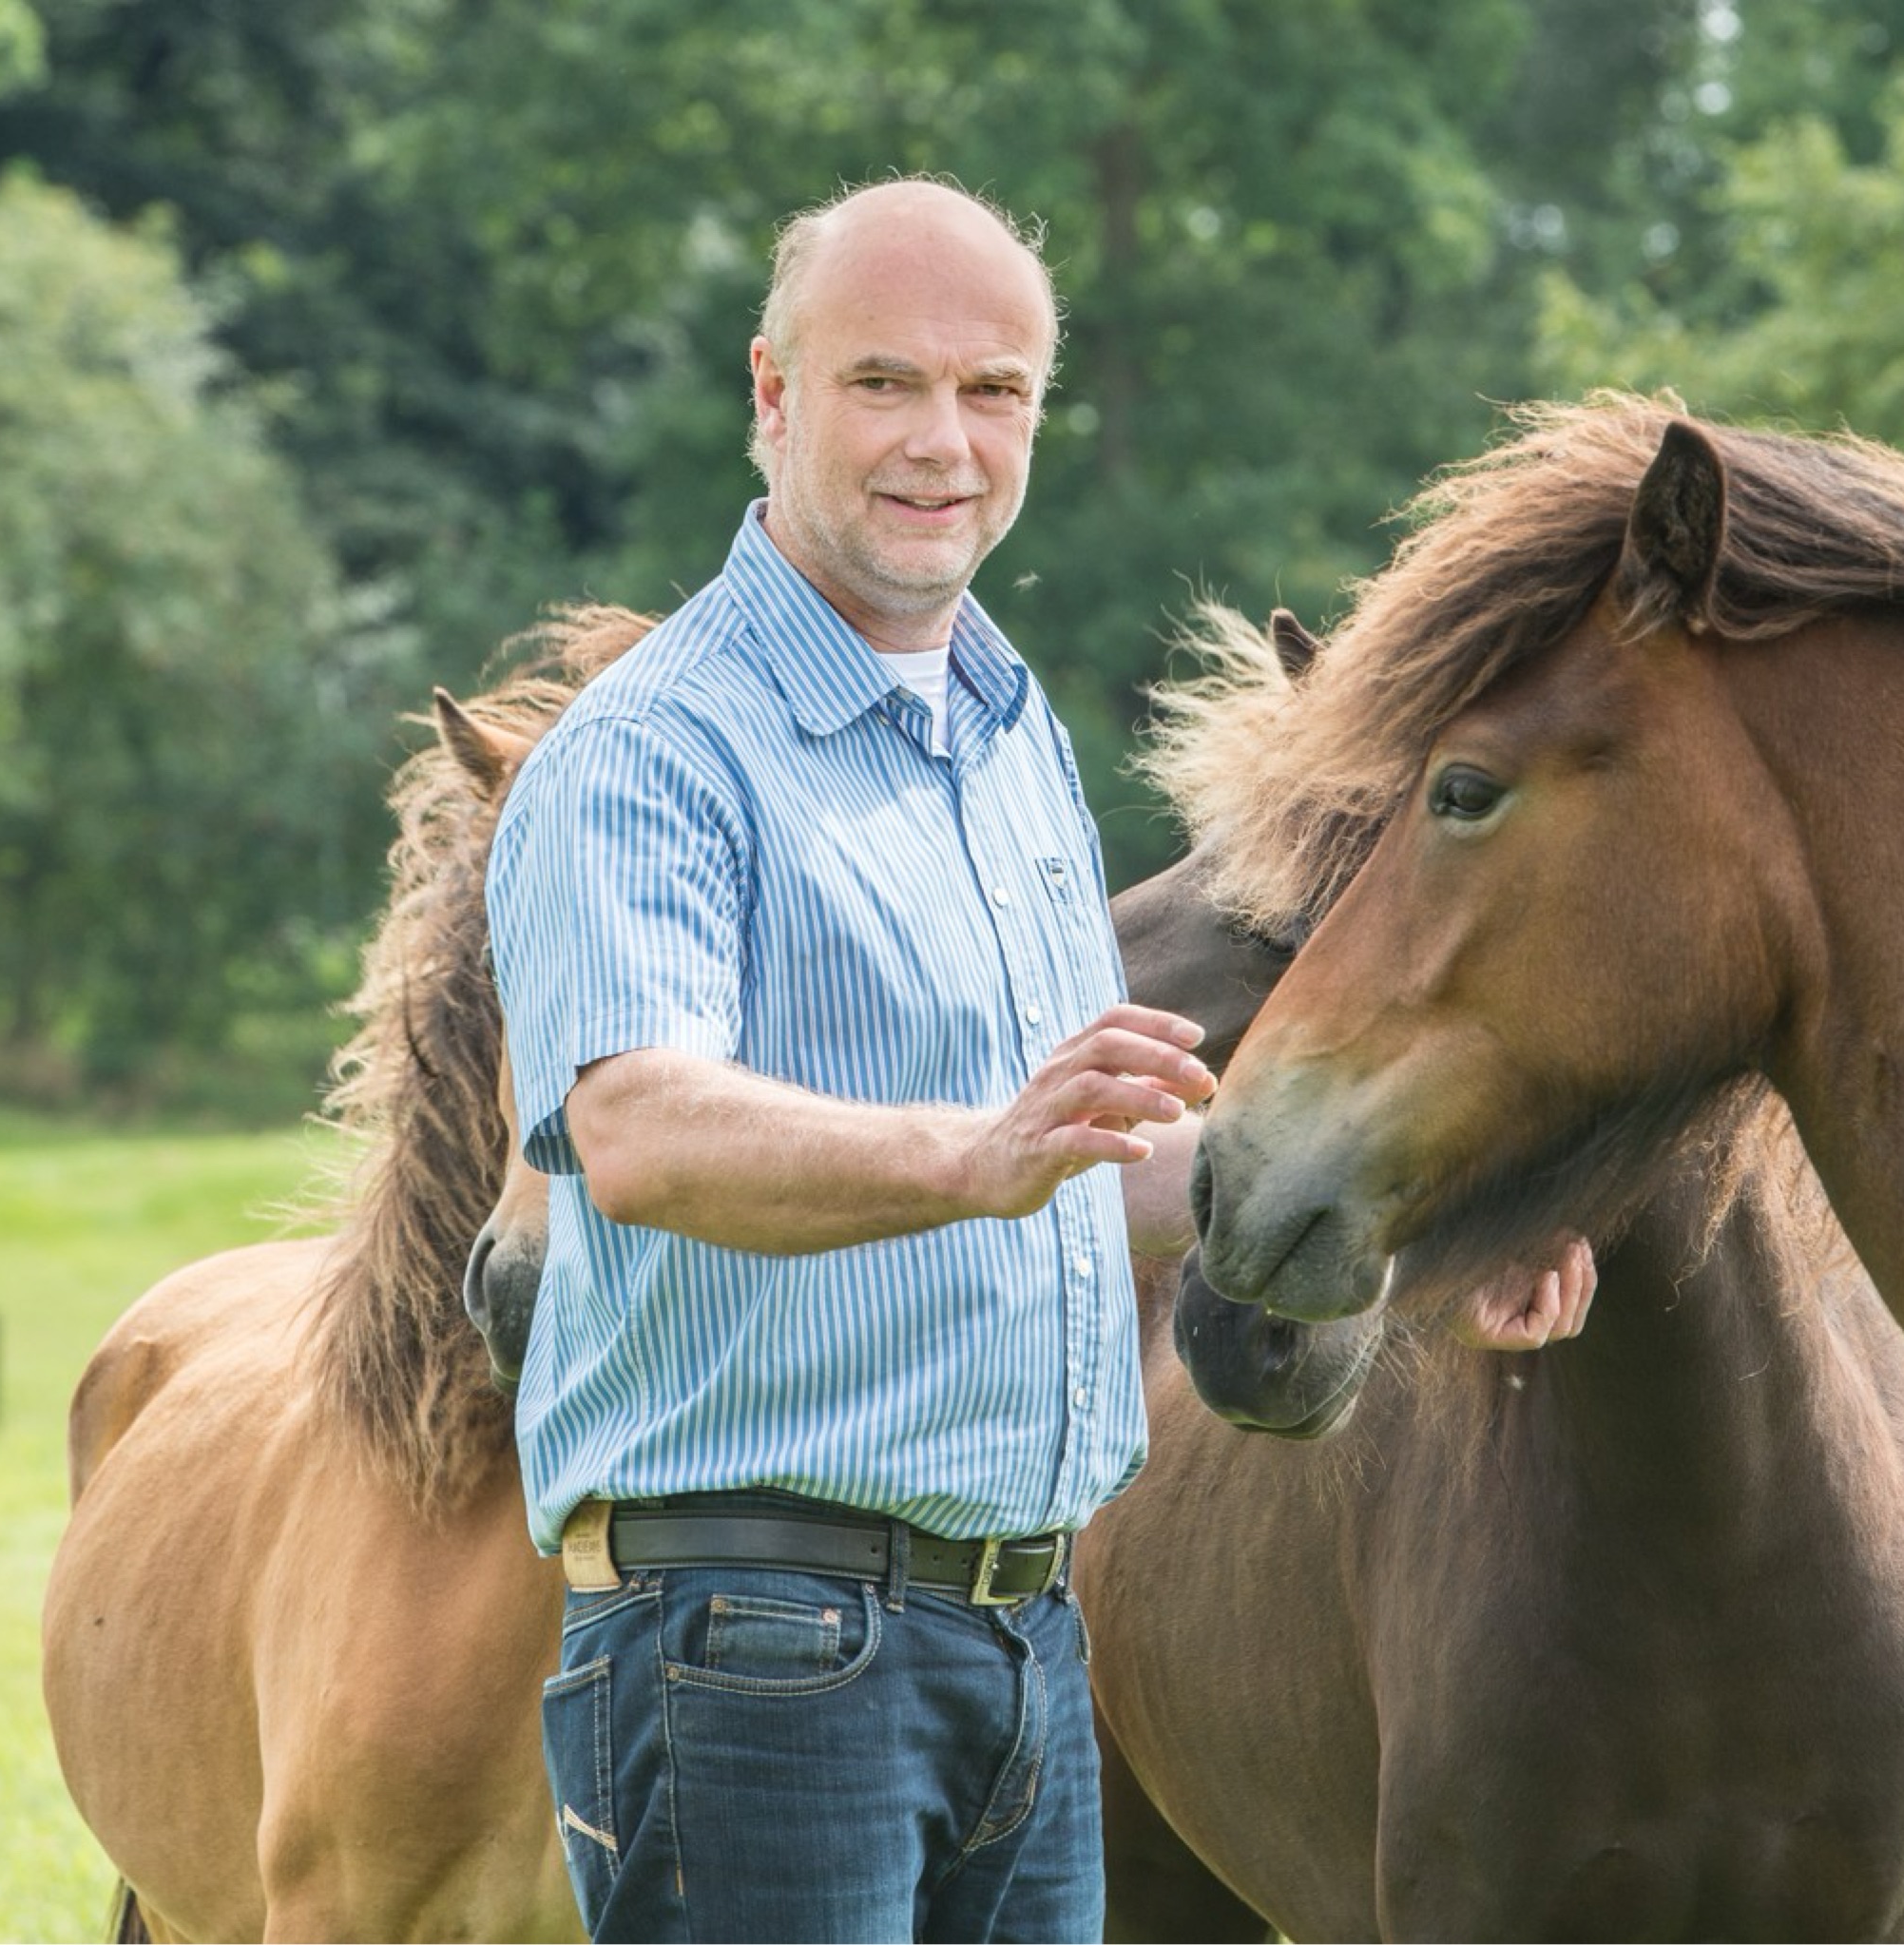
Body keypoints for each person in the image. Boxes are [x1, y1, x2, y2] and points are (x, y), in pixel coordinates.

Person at [488, 175, 1591, 1944]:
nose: (945, 442)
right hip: (757, 1641)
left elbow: (1110, 1166)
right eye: (884, 384)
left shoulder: (1007, 740)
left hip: (1022, 1636)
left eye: (993, 393)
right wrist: (970, 1153)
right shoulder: (652, 753)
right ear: (771, 396)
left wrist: (1424, 1234)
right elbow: (635, 1130)